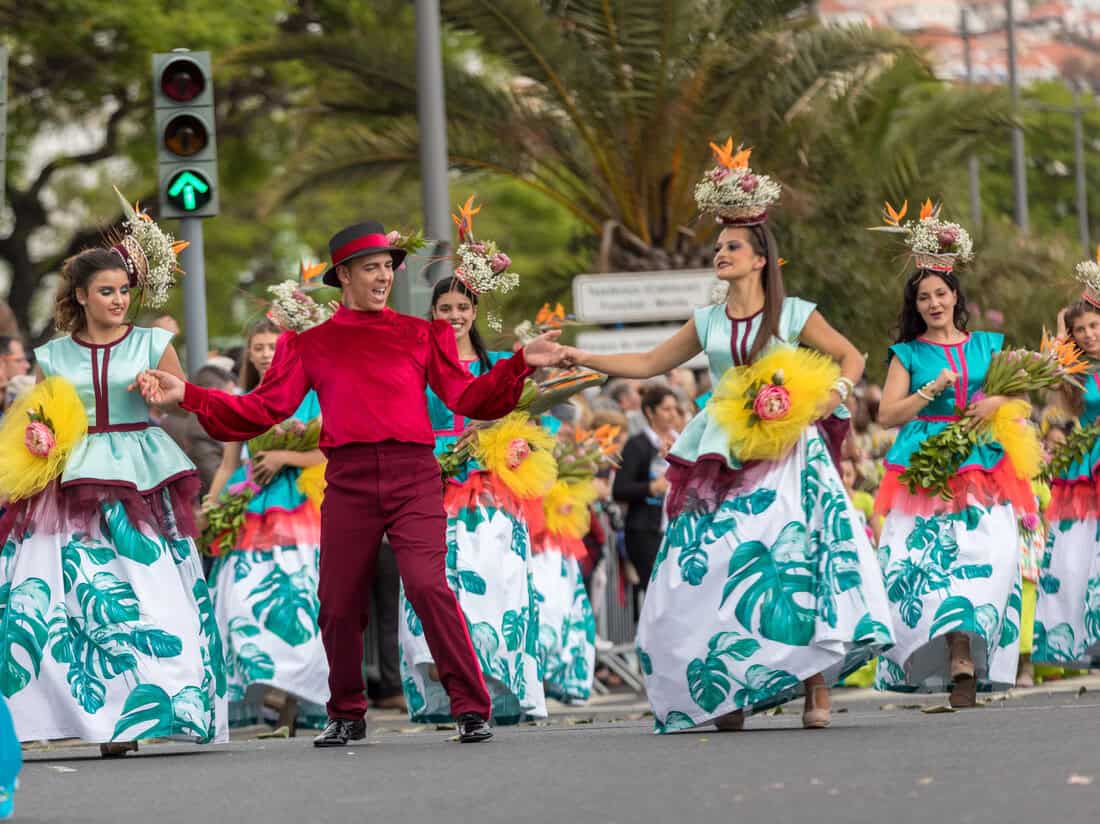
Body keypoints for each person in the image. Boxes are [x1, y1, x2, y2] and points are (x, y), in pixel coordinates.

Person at [136, 220, 567, 746]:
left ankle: (470, 707)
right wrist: (190, 394)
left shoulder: (420, 333)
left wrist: (521, 363)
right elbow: (260, 409)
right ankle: (346, 712)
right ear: (343, 275)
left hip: (413, 474)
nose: (384, 276)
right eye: (371, 268)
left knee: (430, 586)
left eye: (388, 266)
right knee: (337, 601)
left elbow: (468, 398)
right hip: (348, 479)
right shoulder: (309, 344)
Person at [561, 168, 891, 731]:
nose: (721, 254)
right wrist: (578, 358)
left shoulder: (794, 313)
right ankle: (729, 685)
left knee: (795, 554)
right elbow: (646, 365)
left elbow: (851, 357)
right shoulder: (707, 320)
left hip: (789, 453)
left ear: (760, 257)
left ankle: (815, 687)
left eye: (731, 247)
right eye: (717, 247)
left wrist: (832, 392)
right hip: (722, 452)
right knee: (712, 560)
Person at [0, 237, 226, 753]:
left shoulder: (151, 343)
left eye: (124, 290)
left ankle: (153, 703)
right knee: (70, 598)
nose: (118, 300)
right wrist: (40, 436)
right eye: (106, 291)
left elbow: (184, 402)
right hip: (70, 482)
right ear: (80, 295)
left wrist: (162, 395)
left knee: (153, 593)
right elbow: (38, 416)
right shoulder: (52, 355)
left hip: (141, 475)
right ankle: (95, 718)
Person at [874, 233, 1024, 707]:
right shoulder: (909, 354)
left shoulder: (987, 345)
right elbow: (886, 414)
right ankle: (951, 650)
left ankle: (967, 645)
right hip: (923, 467)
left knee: (991, 552)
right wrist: (929, 390)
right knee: (920, 559)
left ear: (956, 296)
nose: (934, 302)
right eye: (923, 297)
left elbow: (1018, 391)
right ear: (914, 305)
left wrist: (993, 401)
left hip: (984, 461)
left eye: (941, 293)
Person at [399, 276, 548, 724]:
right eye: (444, 308)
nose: (454, 316)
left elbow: (524, 423)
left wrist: (493, 434)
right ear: (432, 314)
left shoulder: (500, 364)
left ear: (474, 312)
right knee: (437, 586)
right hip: (431, 484)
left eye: (462, 307)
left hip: (489, 490)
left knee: (495, 587)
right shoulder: (416, 365)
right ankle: (450, 689)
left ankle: (503, 688)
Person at [202, 317, 329, 732]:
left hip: (298, 505)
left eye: (273, 344)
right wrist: (212, 502)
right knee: (241, 594)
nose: (265, 352)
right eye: (257, 346)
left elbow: (331, 451)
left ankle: (295, 689)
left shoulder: (311, 395)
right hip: (249, 502)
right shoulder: (241, 397)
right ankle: (265, 682)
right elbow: (226, 463)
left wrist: (285, 458)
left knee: (299, 591)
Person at [1034, 297, 1100, 670]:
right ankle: (1085, 634)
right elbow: (1041, 377)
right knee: (1078, 556)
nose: (1089, 335)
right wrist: (1059, 336)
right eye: (1080, 330)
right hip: (1088, 460)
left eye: (1094, 325)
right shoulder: (1076, 372)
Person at [612, 385, 679, 610]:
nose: (672, 414)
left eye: (674, 409)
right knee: (654, 593)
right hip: (644, 531)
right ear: (650, 412)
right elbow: (619, 489)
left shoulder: (682, 442)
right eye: (666, 409)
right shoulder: (637, 445)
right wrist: (651, 487)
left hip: (675, 529)